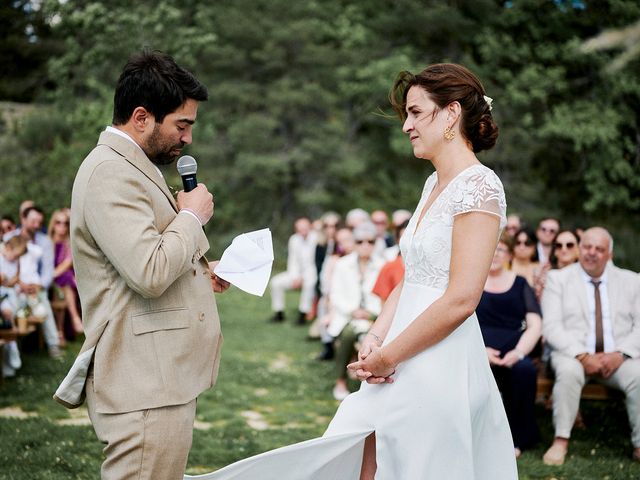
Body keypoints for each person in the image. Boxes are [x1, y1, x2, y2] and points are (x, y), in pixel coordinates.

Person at [193, 63, 517, 480]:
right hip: (398, 349)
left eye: (417, 112)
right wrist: (376, 334)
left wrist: (389, 356)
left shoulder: (481, 186)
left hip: (440, 359)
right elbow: (413, 275)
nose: (407, 126)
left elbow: (461, 297)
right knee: (363, 458)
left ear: (451, 113)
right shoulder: (432, 184)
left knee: (417, 464)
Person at [53, 50, 228, 480]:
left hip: (158, 376)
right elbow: (149, 272)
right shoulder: (110, 172)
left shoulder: (132, 166)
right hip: (143, 383)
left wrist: (201, 273)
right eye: (181, 125)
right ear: (141, 117)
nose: (187, 139)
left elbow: (130, 267)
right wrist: (191, 216)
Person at [541, 227, 640, 466]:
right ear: (579, 248)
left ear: (609, 254)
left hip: (617, 357)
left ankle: (639, 444)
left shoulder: (632, 281)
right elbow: (552, 327)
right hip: (573, 354)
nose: (591, 253)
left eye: (599, 249)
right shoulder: (558, 279)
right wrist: (583, 356)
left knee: (639, 375)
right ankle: (561, 440)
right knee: (568, 371)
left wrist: (620, 354)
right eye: (587, 247)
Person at [476, 232, 542, 457]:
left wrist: (519, 352)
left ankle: (517, 438)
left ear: (509, 254)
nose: (495, 254)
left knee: (525, 371)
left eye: (501, 249)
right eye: (491, 248)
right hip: (476, 349)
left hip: (512, 350)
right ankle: (477, 437)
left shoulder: (520, 283)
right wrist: (479, 352)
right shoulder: (472, 281)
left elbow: (535, 323)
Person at [327, 222, 384, 401]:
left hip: (375, 316)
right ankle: (340, 380)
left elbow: (386, 296)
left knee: (372, 339)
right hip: (347, 316)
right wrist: (353, 311)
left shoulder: (383, 265)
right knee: (348, 334)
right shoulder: (343, 264)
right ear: (354, 242)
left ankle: (372, 386)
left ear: (376, 243)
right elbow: (335, 294)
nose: (365, 245)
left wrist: (370, 313)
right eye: (360, 241)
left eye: (370, 241)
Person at [4, 206, 60, 358]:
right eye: (33, 221)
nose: (36, 225)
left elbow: (48, 271)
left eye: (39, 222)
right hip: (14, 286)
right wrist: (18, 283)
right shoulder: (9, 238)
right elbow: (5, 265)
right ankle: (11, 348)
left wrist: (38, 285)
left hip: (36, 286)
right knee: (9, 307)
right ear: (23, 219)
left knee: (44, 305)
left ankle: (53, 345)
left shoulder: (44, 242)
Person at [269, 217, 318, 325]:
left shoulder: (316, 238)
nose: (303, 231)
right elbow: (293, 260)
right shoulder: (294, 239)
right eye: (300, 229)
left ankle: (303, 314)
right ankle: (279, 312)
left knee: (309, 284)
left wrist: (303, 277)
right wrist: (296, 277)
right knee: (275, 282)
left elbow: (314, 263)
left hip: (312, 273)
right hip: (296, 273)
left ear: (310, 227)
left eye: (305, 228)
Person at [48, 208, 84, 345]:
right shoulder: (47, 241)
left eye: (65, 223)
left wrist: (52, 275)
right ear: (53, 224)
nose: (62, 226)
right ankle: (74, 319)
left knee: (64, 280)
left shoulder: (69, 242)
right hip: (50, 278)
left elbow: (67, 263)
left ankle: (59, 331)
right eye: (58, 222)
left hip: (60, 278)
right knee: (65, 279)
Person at [371, 219, 409, 304]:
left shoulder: (431, 268)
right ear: (398, 240)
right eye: (404, 238)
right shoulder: (389, 267)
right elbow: (383, 302)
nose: (408, 243)